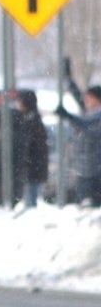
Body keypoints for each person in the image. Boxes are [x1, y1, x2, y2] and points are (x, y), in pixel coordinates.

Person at [56, 71, 101, 206]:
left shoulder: (97, 115)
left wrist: (68, 116)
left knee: (92, 206)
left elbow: (86, 125)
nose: (85, 100)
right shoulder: (89, 111)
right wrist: (68, 79)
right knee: (83, 205)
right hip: (84, 169)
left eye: (89, 97)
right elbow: (78, 96)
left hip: (95, 171)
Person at [13, 89, 48, 207]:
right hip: (32, 168)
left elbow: (30, 146)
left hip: (32, 169)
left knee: (30, 203)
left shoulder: (31, 121)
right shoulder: (30, 119)